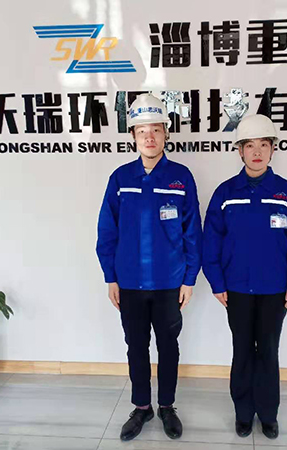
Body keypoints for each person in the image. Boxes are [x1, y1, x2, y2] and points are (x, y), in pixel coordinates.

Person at [96, 93, 202, 441]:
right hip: (129, 282)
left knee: (168, 347)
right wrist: (111, 277)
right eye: (142, 131)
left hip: (170, 282)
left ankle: (167, 405)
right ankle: (142, 406)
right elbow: (107, 231)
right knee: (136, 346)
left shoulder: (181, 177)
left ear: (166, 133)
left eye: (156, 130)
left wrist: (189, 278)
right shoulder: (120, 178)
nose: (150, 137)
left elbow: (193, 232)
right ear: (133, 136)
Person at [202, 114, 287, 439]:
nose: (256, 152)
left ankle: (267, 414)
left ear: (272, 149)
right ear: (239, 151)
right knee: (241, 350)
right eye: (249, 145)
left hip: (274, 290)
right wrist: (217, 281)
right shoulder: (226, 193)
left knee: (267, 351)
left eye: (264, 145)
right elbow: (211, 240)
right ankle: (242, 412)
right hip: (236, 289)